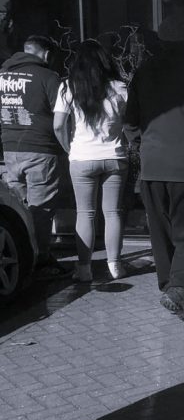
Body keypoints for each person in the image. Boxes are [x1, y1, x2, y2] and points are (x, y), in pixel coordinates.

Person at [123, 14, 184, 324]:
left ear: (161, 43)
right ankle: (179, 290)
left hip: (152, 167)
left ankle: (176, 292)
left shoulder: (143, 73)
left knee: (162, 235)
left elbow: (130, 120)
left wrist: (141, 144)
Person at [53, 39, 130, 283]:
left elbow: (57, 125)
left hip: (82, 157)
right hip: (115, 157)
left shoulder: (68, 87)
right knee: (113, 213)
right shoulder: (120, 87)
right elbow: (131, 122)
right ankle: (115, 265)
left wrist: (69, 148)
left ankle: (84, 269)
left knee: (85, 214)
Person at [0, 35, 69, 280]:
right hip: (41, 149)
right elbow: (62, 116)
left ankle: (24, 258)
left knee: (19, 208)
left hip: (10, 150)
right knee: (41, 210)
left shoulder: (2, 76)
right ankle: (40, 259)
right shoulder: (49, 78)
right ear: (47, 54)